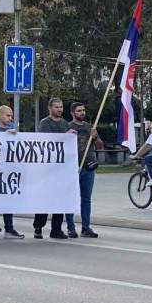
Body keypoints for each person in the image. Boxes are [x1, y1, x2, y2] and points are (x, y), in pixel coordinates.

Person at [32, 97, 70, 239]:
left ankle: (56, 229)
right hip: (47, 170)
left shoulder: (65, 124)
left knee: (59, 201)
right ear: (50, 108)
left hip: (61, 170)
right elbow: (46, 141)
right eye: (56, 107)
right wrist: (64, 137)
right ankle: (38, 227)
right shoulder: (45, 123)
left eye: (61, 107)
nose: (59, 110)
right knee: (45, 201)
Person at [0, 106, 24, 239]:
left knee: (9, 201)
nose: (10, 118)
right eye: (8, 115)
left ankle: (9, 229)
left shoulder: (13, 131)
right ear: (0, 116)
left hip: (9, 172)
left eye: (11, 115)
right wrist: (4, 137)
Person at [66, 102, 101, 238]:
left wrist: (95, 136)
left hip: (88, 167)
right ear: (72, 113)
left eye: (83, 110)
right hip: (72, 168)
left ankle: (86, 227)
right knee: (70, 198)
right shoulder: (67, 127)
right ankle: (70, 227)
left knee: (86, 199)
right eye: (79, 111)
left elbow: (99, 145)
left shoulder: (89, 127)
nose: (82, 112)